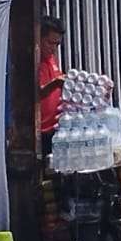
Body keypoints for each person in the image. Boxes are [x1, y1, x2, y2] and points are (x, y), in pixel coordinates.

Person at [39, 15, 66, 158]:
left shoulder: (51, 59)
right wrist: (55, 83)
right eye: (50, 43)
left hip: (55, 129)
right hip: (40, 133)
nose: (54, 49)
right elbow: (33, 94)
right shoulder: (33, 62)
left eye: (57, 45)